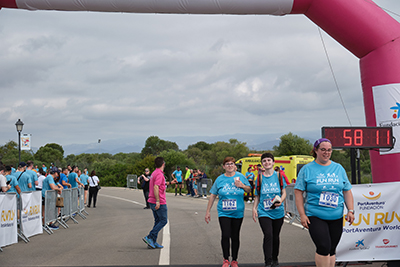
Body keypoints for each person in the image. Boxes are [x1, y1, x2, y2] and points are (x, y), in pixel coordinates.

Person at [294, 138, 355, 267]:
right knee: (323, 246)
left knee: (332, 249)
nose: (326, 153)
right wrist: (302, 214)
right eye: (323, 150)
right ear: (315, 150)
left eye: (329, 150)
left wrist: (350, 210)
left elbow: (347, 191)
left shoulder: (338, 168)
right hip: (315, 214)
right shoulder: (307, 169)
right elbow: (298, 192)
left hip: (336, 215)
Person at [205, 157, 251, 267]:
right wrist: (208, 211)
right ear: (223, 166)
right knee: (225, 235)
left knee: (235, 236)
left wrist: (242, 186)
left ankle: (234, 260)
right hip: (224, 212)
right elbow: (212, 195)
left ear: (235, 166)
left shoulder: (241, 177)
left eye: (231, 164)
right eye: (227, 164)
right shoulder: (219, 179)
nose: (230, 165)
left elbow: (249, 189)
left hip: (238, 212)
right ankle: (226, 259)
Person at [252, 153, 287, 267]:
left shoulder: (279, 176)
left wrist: (281, 200)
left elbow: (284, 192)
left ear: (273, 162)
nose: (267, 162)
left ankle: (275, 258)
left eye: (269, 160)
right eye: (264, 161)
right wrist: (254, 208)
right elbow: (257, 195)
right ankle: (268, 261)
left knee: (276, 236)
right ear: (262, 164)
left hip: (278, 211)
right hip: (264, 211)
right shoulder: (260, 178)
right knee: (268, 235)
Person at [142, 157, 167, 249]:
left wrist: (169, 183)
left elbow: (159, 185)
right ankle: (149, 236)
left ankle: (153, 241)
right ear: (163, 164)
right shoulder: (159, 174)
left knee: (157, 221)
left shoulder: (154, 173)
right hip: (158, 200)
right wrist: (158, 201)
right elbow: (156, 187)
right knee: (163, 220)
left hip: (151, 200)